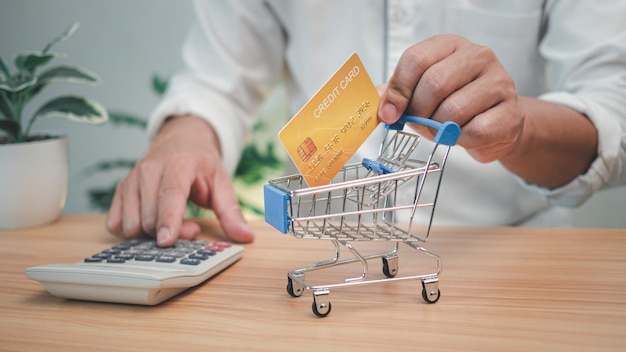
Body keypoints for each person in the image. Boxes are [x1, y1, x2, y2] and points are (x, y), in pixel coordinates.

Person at [106, 0, 626, 247]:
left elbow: (613, 107)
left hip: (513, 261)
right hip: (328, 234)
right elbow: (215, 78)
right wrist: (182, 137)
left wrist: (519, 128)